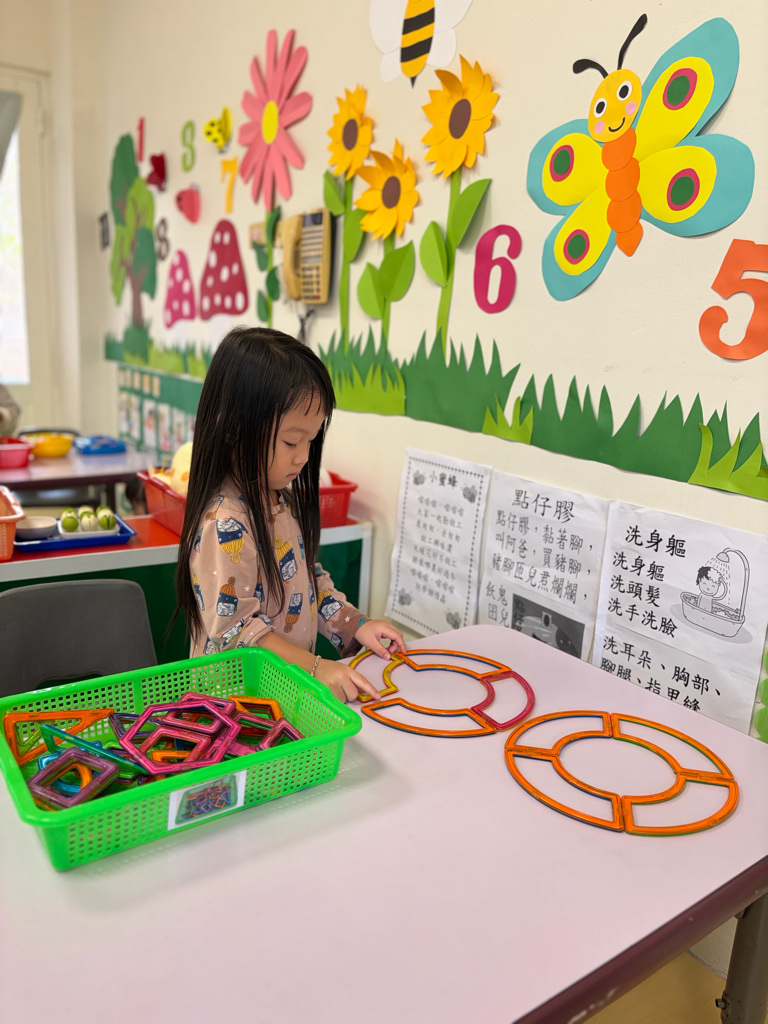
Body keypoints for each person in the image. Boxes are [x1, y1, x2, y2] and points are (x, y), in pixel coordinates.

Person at [175, 326, 406, 703]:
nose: (303, 456)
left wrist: (354, 625)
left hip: (281, 694)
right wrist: (316, 667)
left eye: (310, 441)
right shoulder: (225, 523)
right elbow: (237, 633)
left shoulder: (276, 499)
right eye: (291, 441)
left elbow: (306, 580)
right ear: (235, 428)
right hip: (234, 709)